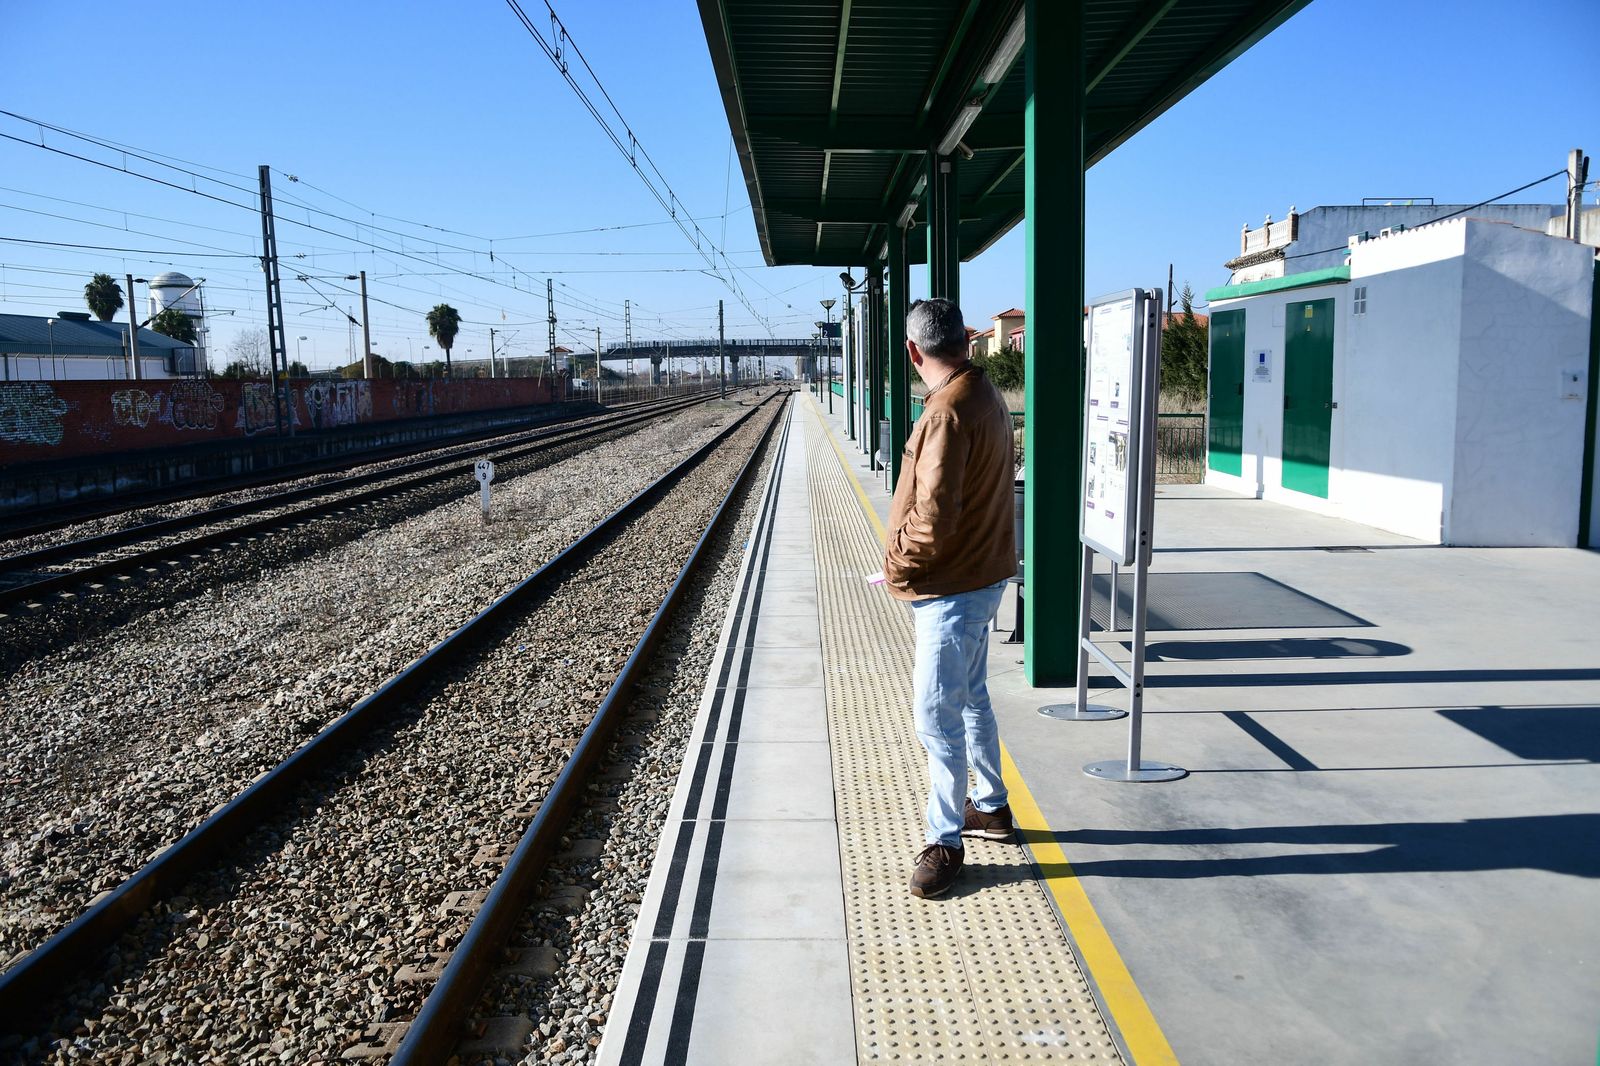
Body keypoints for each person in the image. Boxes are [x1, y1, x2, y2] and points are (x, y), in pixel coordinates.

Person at [882, 298, 1018, 899]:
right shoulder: (984, 394)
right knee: (971, 700)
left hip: (953, 585)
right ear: (966, 339)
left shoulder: (945, 413)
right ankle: (989, 805)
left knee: (935, 714)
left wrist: (895, 565)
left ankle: (946, 840)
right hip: (982, 575)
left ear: (914, 352)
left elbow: (933, 518)